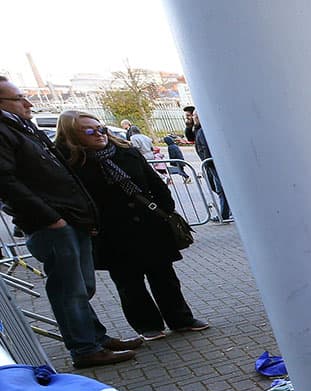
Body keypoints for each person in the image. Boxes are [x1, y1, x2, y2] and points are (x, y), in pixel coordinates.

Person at [0, 78, 142, 368]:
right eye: (19, 98)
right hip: (51, 223)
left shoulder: (23, 128)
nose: (28, 103)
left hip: (69, 219)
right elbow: (6, 182)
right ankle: (84, 348)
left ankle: (95, 338)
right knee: (69, 289)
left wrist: (82, 216)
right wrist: (51, 219)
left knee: (81, 286)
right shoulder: (5, 132)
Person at [56, 111, 208, 341]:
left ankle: (181, 319)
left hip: (149, 225)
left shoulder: (126, 152)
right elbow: (73, 199)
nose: (99, 134)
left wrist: (165, 210)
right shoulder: (72, 164)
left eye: (102, 129)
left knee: (164, 276)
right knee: (129, 283)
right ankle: (147, 325)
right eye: (89, 131)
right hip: (112, 232)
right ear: (71, 135)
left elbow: (155, 183)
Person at [191, 109, 232, 222]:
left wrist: (208, 163)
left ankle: (224, 214)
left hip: (212, 164)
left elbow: (206, 148)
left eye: (194, 116)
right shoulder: (200, 129)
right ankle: (226, 213)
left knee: (221, 189)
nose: (192, 118)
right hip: (211, 164)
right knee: (220, 189)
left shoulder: (203, 131)